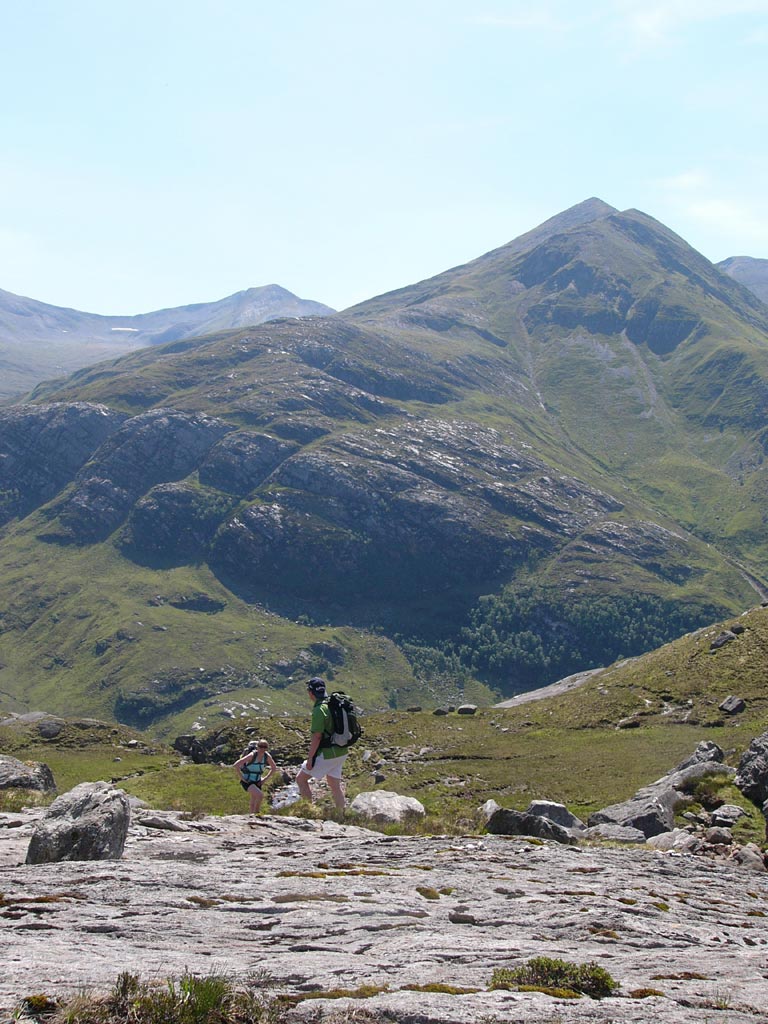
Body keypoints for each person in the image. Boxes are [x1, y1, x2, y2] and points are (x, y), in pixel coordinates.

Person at [296, 676, 347, 811]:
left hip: (327, 753)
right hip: (341, 751)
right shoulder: (333, 705)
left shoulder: (319, 710)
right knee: (334, 784)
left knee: (301, 779)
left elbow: (317, 737)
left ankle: (308, 811)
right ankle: (341, 815)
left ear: (311, 693)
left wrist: (310, 758)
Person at [233, 738, 277, 814]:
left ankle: (251, 816)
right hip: (248, 781)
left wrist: (264, 779)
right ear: (257, 747)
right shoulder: (252, 755)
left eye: (265, 747)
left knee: (254, 799)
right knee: (260, 795)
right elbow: (236, 765)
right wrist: (242, 778)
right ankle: (257, 813)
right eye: (261, 746)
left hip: (258, 781)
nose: (262, 749)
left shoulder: (267, 756)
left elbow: (274, 768)